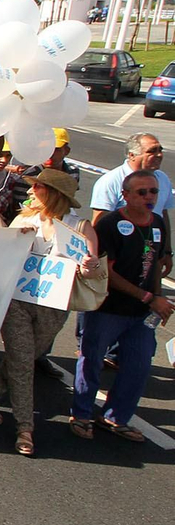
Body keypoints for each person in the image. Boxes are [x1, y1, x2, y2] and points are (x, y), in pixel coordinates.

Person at [0, 170, 100, 456]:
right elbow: (4, 253)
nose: (31, 192)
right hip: (17, 301)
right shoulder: (24, 219)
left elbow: (91, 268)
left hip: (54, 306)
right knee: (23, 362)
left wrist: (88, 267)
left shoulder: (79, 227)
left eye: (38, 187)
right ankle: (25, 427)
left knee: (26, 356)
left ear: (54, 193)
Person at [72, 169, 171, 443]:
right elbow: (108, 274)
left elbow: (155, 265)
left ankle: (115, 417)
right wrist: (149, 298)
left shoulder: (158, 223)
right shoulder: (111, 225)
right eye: (142, 192)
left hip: (141, 313)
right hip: (108, 309)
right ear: (125, 195)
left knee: (138, 366)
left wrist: (156, 298)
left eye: (153, 192)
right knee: (91, 362)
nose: (149, 197)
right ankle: (81, 414)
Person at [90, 134, 170, 221]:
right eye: (152, 151)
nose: (159, 155)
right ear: (132, 155)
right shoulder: (110, 181)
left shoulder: (163, 178)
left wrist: (166, 234)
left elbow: (163, 213)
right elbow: (99, 223)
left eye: (160, 150)